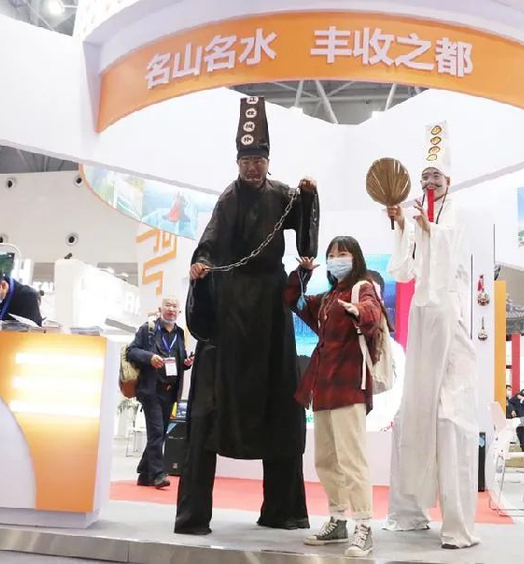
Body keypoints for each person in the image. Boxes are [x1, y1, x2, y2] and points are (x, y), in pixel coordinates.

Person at [175, 96, 319, 535]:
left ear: (268, 161)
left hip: (271, 308)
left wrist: (309, 197)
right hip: (231, 308)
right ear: (237, 163)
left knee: (280, 401)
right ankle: (193, 517)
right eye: (246, 161)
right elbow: (208, 243)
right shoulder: (227, 198)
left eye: (258, 160)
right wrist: (201, 265)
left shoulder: (282, 194)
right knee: (209, 406)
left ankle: (282, 510)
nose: (252, 167)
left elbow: (306, 241)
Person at [383, 122, 480, 550]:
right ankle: (409, 512)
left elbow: (449, 250)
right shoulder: (420, 210)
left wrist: (426, 229)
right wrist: (401, 225)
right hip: (423, 314)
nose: (429, 181)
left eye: (435, 175)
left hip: (448, 313)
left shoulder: (456, 212)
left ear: (449, 180)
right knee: (411, 414)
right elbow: (405, 269)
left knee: (448, 419)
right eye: (424, 176)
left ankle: (458, 524)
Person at [285, 237, 381, 558]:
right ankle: (338, 519)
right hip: (323, 388)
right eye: (332, 254)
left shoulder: (362, 288)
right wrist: (302, 273)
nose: (337, 258)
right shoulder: (327, 299)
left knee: (352, 460)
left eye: (343, 253)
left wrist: (358, 311)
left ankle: (363, 525)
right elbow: (294, 300)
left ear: (356, 257)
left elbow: (372, 314)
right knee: (325, 460)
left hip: (349, 386)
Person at [126, 296, 193, 488]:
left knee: (161, 433)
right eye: (168, 305)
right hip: (151, 390)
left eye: (174, 306)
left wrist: (186, 363)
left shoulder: (180, 333)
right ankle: (158, 474)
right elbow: (131, 351)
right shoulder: (148, 330)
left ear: (179, 312)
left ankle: (144, 473)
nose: (171, 309)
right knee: (156, 431)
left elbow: (178, 361)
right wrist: (149, 357)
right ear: (160, 309)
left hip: (170, 392)